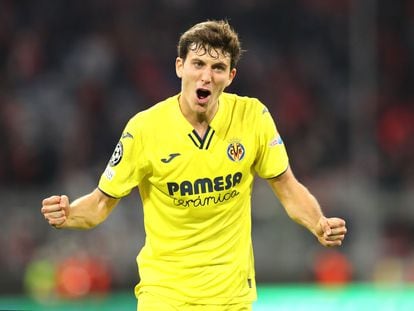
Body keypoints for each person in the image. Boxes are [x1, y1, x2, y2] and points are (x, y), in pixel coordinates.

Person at [41, 20, 347, 311]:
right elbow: (99, 204)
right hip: (165, 295)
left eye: (218, 68)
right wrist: (68, 214)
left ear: (230, 77)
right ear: (179, 67)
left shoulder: (253, 117)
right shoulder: (145, 129)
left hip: (231, 295)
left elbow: (287, 187)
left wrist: (317, 223)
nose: (206, 76)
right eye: (198, 64)